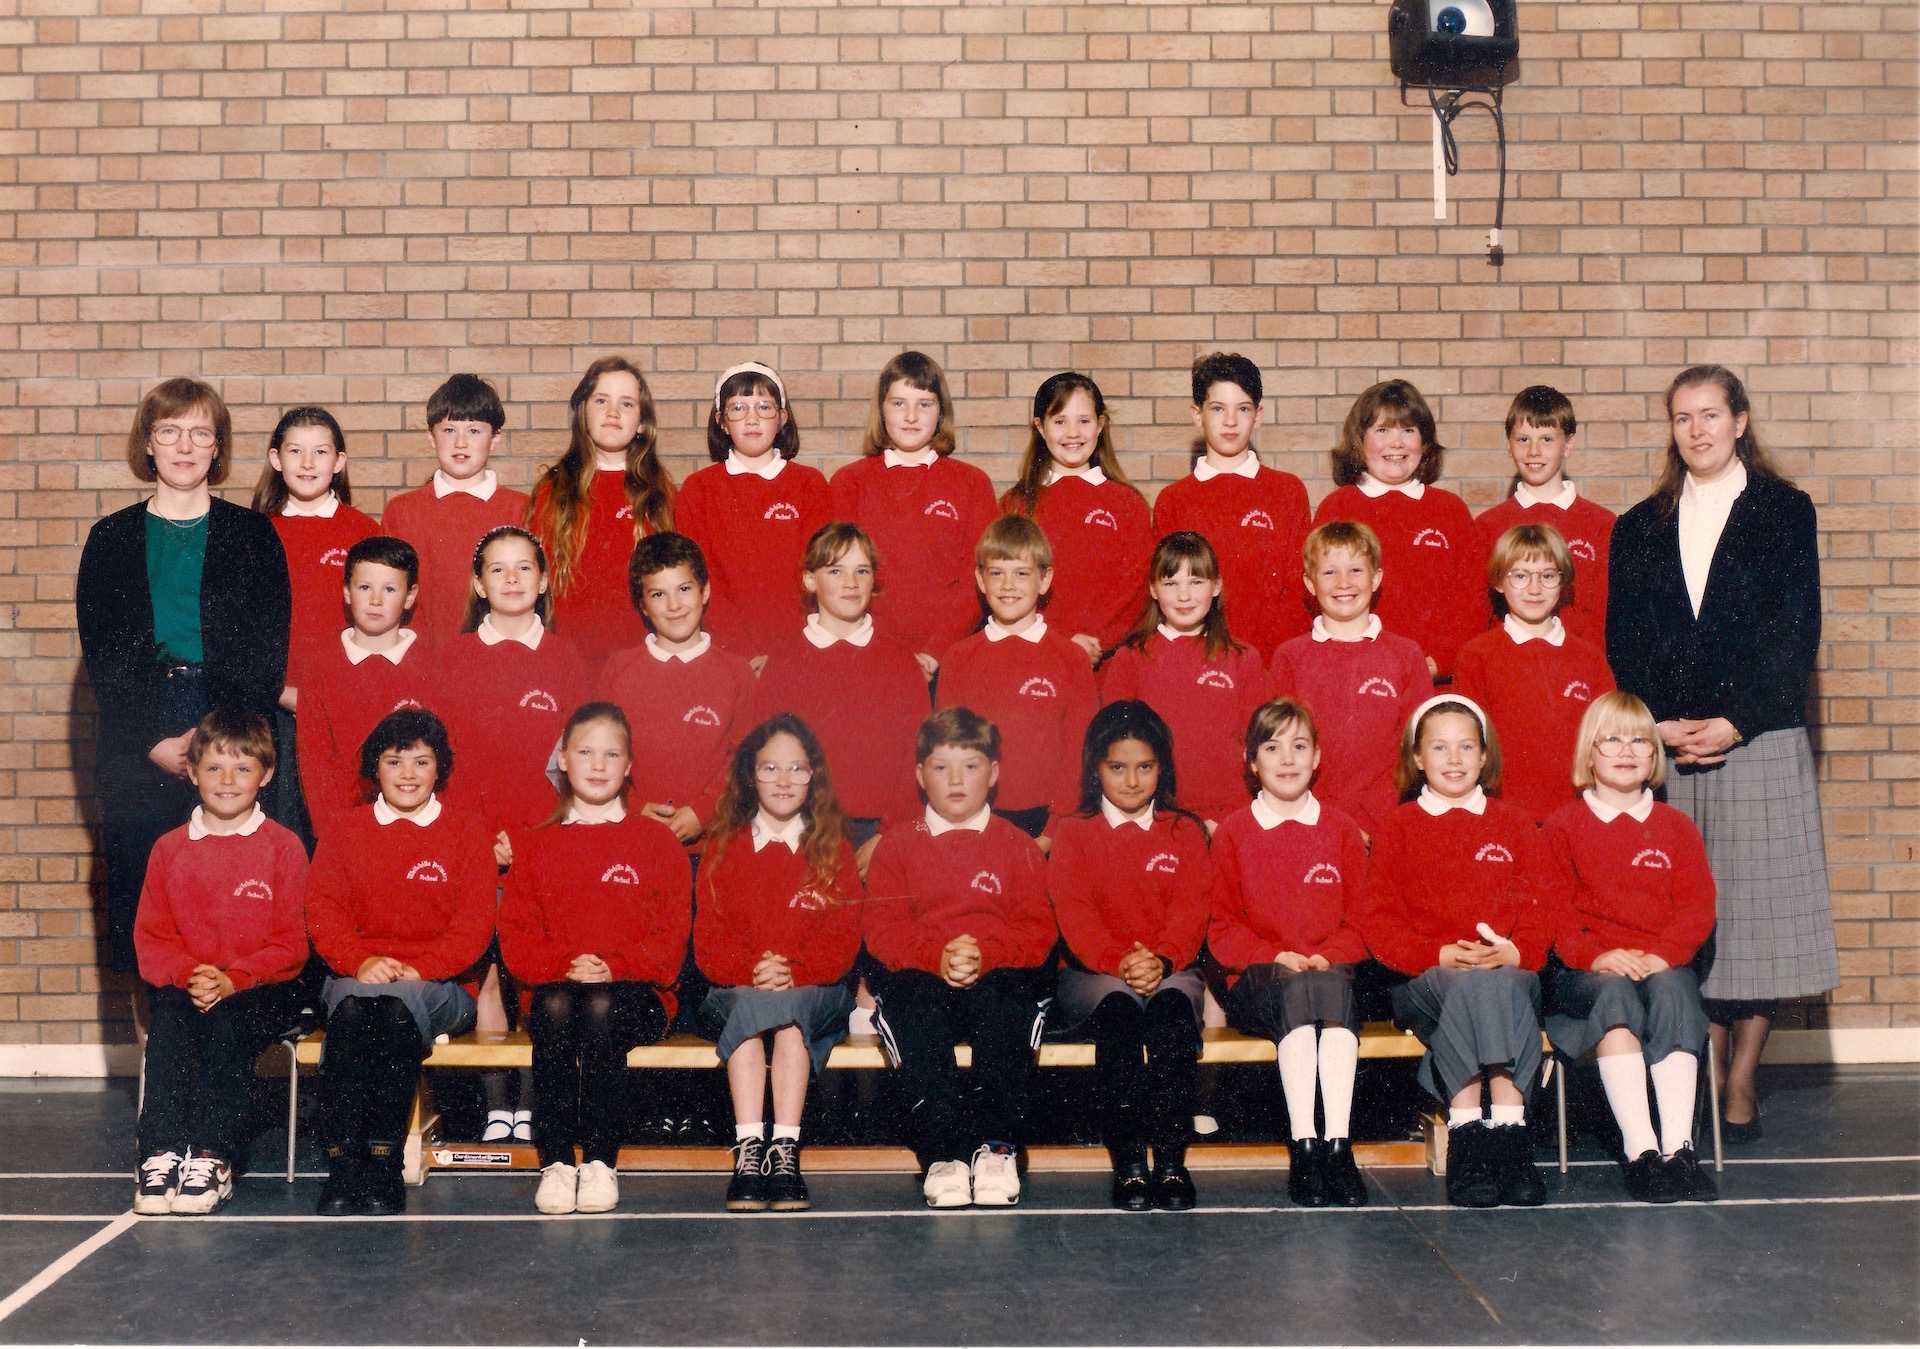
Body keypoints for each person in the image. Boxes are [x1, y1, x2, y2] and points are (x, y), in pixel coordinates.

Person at [1608, 363, 1837, 1144]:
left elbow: (1795, 634)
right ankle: (1692, 1059)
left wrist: (1736, 720)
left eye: (1710, 414)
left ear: (1740, 420)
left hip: (1757, 737)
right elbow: (1623, 640)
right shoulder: (1638, 524)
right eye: (1682, 418)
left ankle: (1741, 1075)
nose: (1697, 430)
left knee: (1759, 913)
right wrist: (1655, 726)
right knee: (1681, 914)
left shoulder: (1783, 511)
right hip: (1669, 747)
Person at [77, 378, 292, 1004]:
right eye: (169, 431)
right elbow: (104, 650)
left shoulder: (251, 534)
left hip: (225, 724)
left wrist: (216, 746)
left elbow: (265, 646)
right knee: (148, 890)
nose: (184, 445)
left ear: (217, 446)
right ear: (149, 443)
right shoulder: (111, 538)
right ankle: (160, 1064)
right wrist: (152, 738)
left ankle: (230, 1066)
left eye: (201, 433)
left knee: (233, 894)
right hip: (140, 730)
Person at [1354, 696, 1554, 1208]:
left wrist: (1514, 953)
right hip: (1426, 980)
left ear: (1485, 756)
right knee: (1468, 986)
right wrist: (1438, 953)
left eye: (1467, 746)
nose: (1454, 758)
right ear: (1417, 757)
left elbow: (1541, 910)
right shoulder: (1398, 827)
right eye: (1439, 747)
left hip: (1507, 973)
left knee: (1492, 985)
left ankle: (1486, 1140)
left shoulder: (1514, 823)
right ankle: (1492, 1139)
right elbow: (1378, 922)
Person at [498, 703, 689, 1215]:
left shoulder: (657, 843)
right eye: (585, 752)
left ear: (629, 767)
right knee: (559, 1005)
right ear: (562, 759)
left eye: (612, 754)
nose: (598, 765)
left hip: (635, 998)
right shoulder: (536, 845)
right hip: (558, 995)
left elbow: (670, 945)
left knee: (599, 1005)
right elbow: (517, 940)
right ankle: (557, 1162)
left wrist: (613, 965)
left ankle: (601, 1161)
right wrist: (565, 963)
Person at [304, 709, 497, 1216]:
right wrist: (360, 960)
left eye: (422, 761)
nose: (408, 774)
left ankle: (385, 1166)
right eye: (394, 761)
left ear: (440, 769)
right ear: (375, 769)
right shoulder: (345, 830)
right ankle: (345, 1167)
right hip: (357, 978)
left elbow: (475, 926)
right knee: (354, 1008)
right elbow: (324, 912)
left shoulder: (465, 830)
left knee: (392, 1008)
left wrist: (424, 967)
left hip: (442, 987)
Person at [863, 709, 1057, 1209]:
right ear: (918, 775)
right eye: (941, 766)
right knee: (914, 1005)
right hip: (925, 977)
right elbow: (882, 932)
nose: (955, 780)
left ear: (993, 773)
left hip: (995, 975)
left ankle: (996, 1149)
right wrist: (938, 956)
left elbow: (1037, 932)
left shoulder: (1018, 847)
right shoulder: (897, 847)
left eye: (970, 766)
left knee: (1007, 1003)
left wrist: (984, 954)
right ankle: (943, 1154)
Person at [132, 710, 311, 1216]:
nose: (227, 782)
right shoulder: (168, 849)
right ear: (191, 772)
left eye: (242, 769)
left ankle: (213, 1157)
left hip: (260, 990)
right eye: (213, 769)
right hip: (191, 985)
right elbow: (152, 938)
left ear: (267, 774)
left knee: (227, 1021)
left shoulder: (283, 847)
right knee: (169, 1017)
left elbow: (290, 945)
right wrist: (192, 975)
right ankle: (161, 1154)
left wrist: (233, 980)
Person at [1544, 692, 1718, 1203]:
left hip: (1660, 964)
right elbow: (1555, 913)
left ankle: (1679, 1149)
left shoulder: (1675, 827)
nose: (1627, 750)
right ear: (1589, 753)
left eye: (1640, 739)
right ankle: (1640, 1151)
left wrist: (1664, 954)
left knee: (1673, 989)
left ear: (1654, 755)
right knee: (1614, 995)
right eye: (1612, 739)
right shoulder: (1562, 827)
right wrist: (1595, 956)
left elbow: (1696, 908)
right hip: (1588, 973)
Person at [1206, 698, 1371, 1208]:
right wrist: (1274, 957)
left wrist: (1328, 953)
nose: (1287, 759)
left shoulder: (1341, 829)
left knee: (1324, 987)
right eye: (1272, 748)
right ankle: (1304, 1145)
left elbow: (1362, 921)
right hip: (1259, 983)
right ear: (1252, 763)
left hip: (1329, 976)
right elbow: (1221, 927)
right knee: (1302, 990)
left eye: (1299, 746)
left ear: (1318, 756)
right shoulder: (1234, 832)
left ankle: (1337, 1147)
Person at [1046, 702, 1210, 1211]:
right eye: (1117, 767)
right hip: (1093, 973)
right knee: (1118, 1012)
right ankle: (1131, 1165)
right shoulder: (1074, 833)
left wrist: (1161, 960)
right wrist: (1120, 962)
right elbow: (1075, 917)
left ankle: (1171, 1162)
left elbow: (1191, 909)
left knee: (1171, 1013)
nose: (1133, 781)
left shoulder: (1185, 831)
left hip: (1171, 968)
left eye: (1146, 767)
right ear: (1096, 769)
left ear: (1163, 768)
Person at [695, 715, 863, 1213]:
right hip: (737, 988)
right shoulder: (723, 849)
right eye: (771, 768)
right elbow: (709, 942)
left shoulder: (834, 850)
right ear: (751, 775)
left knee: (790, 1022)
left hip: (814, 990)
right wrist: (754, 970)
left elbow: (842, 941)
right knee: (749, 1019)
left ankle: (785, 1151)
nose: (784, 780)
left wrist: (796, 972)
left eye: (797, 768)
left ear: (814, 778)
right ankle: (749, 1152)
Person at [755, 523, 931, 861]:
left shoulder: (900, 664)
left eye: (862, 571)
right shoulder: (784, 663)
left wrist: (890, 833)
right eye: (836, 571)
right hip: (803, 826)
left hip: (882, 830)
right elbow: (766, 756)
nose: (851, 583)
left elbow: (918, 752)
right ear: (809, 579)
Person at [934, 515, 1099, 846]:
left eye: (1022, 573)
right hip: (977, 820)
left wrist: (1054, 831)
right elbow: (947, 751)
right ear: (981, 579)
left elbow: (1080, 751)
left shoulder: (1071, 659)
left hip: (1049, 824)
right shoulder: (958, 658)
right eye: (997, 573)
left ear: (1044, 579)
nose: (1008, 585)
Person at [829, 351, 998, 670]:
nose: (911, 416)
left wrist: (936, 653)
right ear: (881, 409)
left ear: (940, 411)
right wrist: (880, 654)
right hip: (867, 655)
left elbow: (977, 578)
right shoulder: (849, 482)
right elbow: (840, 579)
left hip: (949, 657)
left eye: (924, 404)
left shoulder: (972, 483)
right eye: (898, 403)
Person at [1311, 379, 1485, 679]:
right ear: (1360, 439)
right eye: (1382, 430)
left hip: (1432, 679)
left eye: (1408, 430)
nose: (1397, 443)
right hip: (1353, 671)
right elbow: (1317, 592)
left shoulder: (1450, 510)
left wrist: (1439, 663)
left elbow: (1473, 600)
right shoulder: (1337, 507)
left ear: (1424, 441)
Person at [1268, 521, 1433, 838]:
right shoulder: (1290, 657)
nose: (1343, 582)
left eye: (1356, 570)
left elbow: (1416, 746)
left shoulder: (1406, 655)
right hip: (1309, 821)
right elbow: (1281, 748)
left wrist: (1374, 817)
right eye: (1329, 572)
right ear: (1310, 583)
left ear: (1376, 579)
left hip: (1385, 823)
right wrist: (1324, 819)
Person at [596, 532, 759, 849]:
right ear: (642, 605)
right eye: (658, 595)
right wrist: (634, 806)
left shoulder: (737, 673)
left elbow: (745, 757)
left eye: (684, 589)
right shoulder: (619, 670)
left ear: (705, 591)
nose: (673, 606)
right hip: (632, 838)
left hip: (713, 844)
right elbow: (600, 753)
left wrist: (703, 812)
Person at [1098, 531, 1269, 834]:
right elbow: (1120, 753)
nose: (1184, 596)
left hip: (1227, 819)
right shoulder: (1130, 658)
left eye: (1196, 582)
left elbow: (1256, 750)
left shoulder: (1244, 659)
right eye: (1171, 583)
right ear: (1152, 589)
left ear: (1216, 586)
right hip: (1154, 818)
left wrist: (1228, 819)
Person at [1150, 353, 1313, 657]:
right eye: (1217, 408)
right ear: (1197, 415)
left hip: (1269, 662)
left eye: (1243, 408)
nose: (1230, 421)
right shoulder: (1173, 500)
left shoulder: (1287, 491)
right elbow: (1167, 593)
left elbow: (1298, 589)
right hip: (1196, 659)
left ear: (1258, 415)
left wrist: (1267, 661)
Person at [673, 361, 833, 669]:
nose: (751, 419)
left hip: (800, 651)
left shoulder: (810, 484)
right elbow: (698, 580)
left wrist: (786, 654)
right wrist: (741, 652)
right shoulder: (699, 489)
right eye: (738, 408)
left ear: (782, 418)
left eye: (764, 407)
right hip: (726, 653)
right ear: (721, 421)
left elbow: (820, 575)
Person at [1453, 524, 1615, 827]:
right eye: (1520, 575)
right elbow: (1468, 743)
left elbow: (1607, 738)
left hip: (1577, 815)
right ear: (1499, 581)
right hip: (1502, 816)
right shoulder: (1477, 655)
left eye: (1547, 576)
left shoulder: (1589, 657)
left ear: (1563, 582)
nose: (1535, 588)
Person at [527, 356, 674, 670]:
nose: (612, 413)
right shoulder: (551, 492)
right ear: (583, 412)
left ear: (642, 422)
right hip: (567, 661)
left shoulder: (661, 495)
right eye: (601, 400)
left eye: (627, 404)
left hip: (641, 664)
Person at [1000, 372, 1153, 662]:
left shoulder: (1128, 504)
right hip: (1033, 654)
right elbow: (1004, 585)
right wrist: (1058, 642)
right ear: (1041, 428)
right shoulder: (1016, 504)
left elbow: (1136, 588)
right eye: (1060, 421)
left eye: (1084, 421)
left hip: (1105, 658)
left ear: (1100, 425)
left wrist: (1097, 641)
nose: (1073, 433)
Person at [293, 536, 432, 841]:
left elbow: (445, 762)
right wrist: (335, 839)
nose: (376, 600)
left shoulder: (432, 666)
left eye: (390, 589)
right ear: (346, 591)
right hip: (346, 833)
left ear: (410, 596)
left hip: (420, 830)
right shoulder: (320, 668)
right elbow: (314, 765)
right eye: (364, 587)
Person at [380, 374, 529, 651]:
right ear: (430, 436)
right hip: (419, 662)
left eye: (474, 431)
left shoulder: (521, 508)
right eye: (449, 430)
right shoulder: (402, 511)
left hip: (499, 660)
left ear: (495, 439)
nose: (460, 443)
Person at [251, 405, 378, 708]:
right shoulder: (255, 531)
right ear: (276, 459)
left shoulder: (364, 529)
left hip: (347, 693)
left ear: (338, 462)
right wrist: (280, 692)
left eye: (320, 452)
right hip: (274, 698)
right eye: (295, 451)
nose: (307, 463)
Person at [1472, 386, 1613, 649]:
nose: (1533, 451)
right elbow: (1480, 616)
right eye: (1523, 440)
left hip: (1579, 668)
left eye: (1547, 439)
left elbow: (1604, 617)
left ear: (1569, 444)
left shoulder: (1602, 523)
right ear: (1508, 445)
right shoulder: (1488, 525)